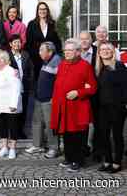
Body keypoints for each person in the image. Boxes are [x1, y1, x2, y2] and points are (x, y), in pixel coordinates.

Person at [51, 38, 97, 172]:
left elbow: (93, 87)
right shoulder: (62, 64)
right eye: (65, 50)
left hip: (78, 107)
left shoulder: (85, 66)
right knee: (66, 135)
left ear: (78, 52)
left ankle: (78, 160)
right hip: (63, 107)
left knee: (78, 136)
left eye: (70, 50)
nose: (67, 53)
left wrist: (78, 92)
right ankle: (69, 158)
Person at [95, 42, 127, 173]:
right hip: (102, 108)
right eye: (102, 49)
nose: (105, 51)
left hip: (117, 107)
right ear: (99, 52)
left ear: (113, 51)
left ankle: (117, 162)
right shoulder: (99, 68)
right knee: (103, 135)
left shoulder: (119, 66)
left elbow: (126, 87)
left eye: (108, 49)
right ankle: (107, 160)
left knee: (117, 135)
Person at [25, 42, 60, 158]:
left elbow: (59, 82)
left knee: (51, 125)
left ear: (50, 52)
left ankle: (54, 148)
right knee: (36, 122)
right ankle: (37, 145)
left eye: (41, 50)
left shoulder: (57, 61)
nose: (39, 52)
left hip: (49, 99)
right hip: (39, 98)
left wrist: (53, 98)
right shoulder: (46, 61)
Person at [1, 34, 34, 139]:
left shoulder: (25, 55)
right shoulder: (7, 55)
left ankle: (20, 131)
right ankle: (12, 133)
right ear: (10, 44)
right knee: (12, 111)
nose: (17, 44)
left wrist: (29, 81)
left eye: (18, 42)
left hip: (24, 87)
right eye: (14, 42)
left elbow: (31, 69)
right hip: (11, 89)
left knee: (22, 110)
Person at [0, 50, 22, 159]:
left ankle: (12, 149)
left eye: (0, 58)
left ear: (5, 60)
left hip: (10, 104)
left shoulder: (11, 71)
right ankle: (4, 148)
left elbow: (17, 88)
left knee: (12, 127)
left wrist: (14, 104)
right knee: (2, 127)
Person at [25, 2, 62, 80]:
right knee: (38, 80)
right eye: (40, 9)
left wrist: (56, 55)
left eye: (44, 9)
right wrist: (34, 56)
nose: (42, 11)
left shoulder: (53, 24)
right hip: (36, 58)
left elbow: (57, 41)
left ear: (47, 10)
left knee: (51, 80)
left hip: (51, 58)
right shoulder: (31, 24)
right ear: (37, 11)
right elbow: (29, 42)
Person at [79, 31, 99, 159]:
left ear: (91, 40)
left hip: (96, 93)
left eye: (86, 39)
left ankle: (96, 150)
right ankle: (83, 147)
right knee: (82, 121)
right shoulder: (76, 52)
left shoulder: (98, 51)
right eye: (81, 39)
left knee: (96, 122)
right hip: (80, 93)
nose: (84, 41)